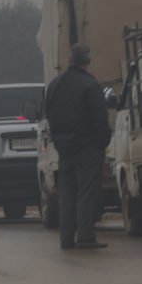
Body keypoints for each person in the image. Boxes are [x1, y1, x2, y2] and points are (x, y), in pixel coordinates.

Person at [44, 43, 113, 250]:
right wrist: (102, 142)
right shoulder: (90, 85)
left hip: (64, 148)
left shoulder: (55, 85)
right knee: (87, 193)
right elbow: (100, 119)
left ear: (70, 60)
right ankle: (85, 237)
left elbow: (49, 113)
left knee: (67, 193)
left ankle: (66, 238)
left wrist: (59, 140)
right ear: (88, 61)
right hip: (88, 147)